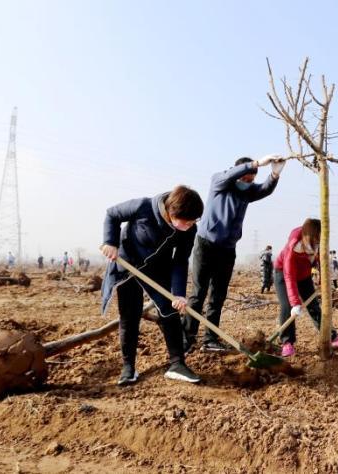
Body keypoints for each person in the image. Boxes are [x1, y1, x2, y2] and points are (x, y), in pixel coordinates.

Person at [100, 185, 204, 385]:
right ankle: (128, 367)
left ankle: (177, 364)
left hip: (157, 269)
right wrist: (110, 241)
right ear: (171, 213)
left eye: (194, 221)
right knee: (129, 315)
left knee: (169, 311)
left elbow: (181, 260)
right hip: (128, 265)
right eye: (187, 221)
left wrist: (179, 294)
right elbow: (112, 214)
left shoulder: (189, 229)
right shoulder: (143, 207)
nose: (191, 225)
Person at [184, 155, 285, 352]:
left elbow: (265, 189)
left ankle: (210, 338)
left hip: (228, 249)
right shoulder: (219, 183)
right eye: (245, 179)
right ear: (237, 173)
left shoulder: (247, 193)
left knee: (218, 295)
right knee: (198, 293)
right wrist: (256, 164)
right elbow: (229, 175)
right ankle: (187, 338)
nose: (248, 183)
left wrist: (274, 174)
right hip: (206, 245)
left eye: (251, 180)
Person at [273, 219, 338, 357]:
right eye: (312, 242)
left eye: (317, 241)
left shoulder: (319, 243)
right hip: (283, 274)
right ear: (305, 237)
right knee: (287, 306)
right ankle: (287, 343)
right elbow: (289, 275)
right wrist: (295, 303)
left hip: (304, 275)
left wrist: (323, 281)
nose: (314, 245)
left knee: (314, 306)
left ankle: (332, 338)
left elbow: (322, 262)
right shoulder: (293, 246)